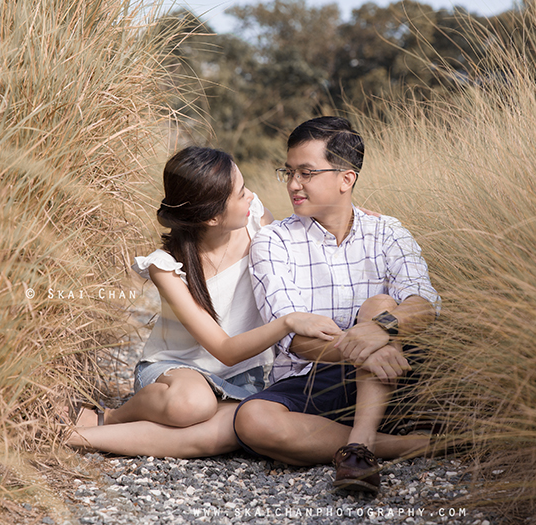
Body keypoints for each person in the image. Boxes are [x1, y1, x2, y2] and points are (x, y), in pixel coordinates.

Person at [65, 147, 340, 458]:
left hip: (242, 379)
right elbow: (225, 349)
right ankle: (112, 416)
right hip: (175, 373)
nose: (250, 195)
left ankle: (78, 436)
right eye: (240, 193)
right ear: (212, 217)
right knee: (193, 404)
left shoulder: (257, 223)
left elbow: (303, 236)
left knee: (223, 435)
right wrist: (288, 322)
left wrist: (348, 217)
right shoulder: (166, 266)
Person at [233, 117, 440, 493]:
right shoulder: (273, 242)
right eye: (289, 172)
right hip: (313, 380)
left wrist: (380, 329)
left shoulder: (388, 231)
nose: (294, 185)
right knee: (252, 419)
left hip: (391, 375)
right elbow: (292, 338)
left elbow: (424, 302)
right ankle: (405, 445)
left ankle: (358, 448)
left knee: (379, 305)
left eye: (307, 172)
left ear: (346, 179)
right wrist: (364, 350)